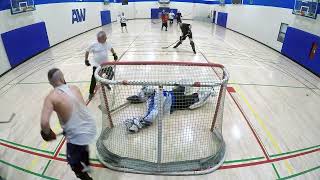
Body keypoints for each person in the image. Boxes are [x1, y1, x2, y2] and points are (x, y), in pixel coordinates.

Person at [40, 68, 96, 180]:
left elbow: (44, 122)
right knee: (81, 148)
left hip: (76, 137)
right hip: (90, 129)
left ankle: (84, 176)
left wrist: (47, 133)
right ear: (62, 78)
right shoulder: (75, 88)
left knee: (73, 162)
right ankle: (84, 160)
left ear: (51, 83)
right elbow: (80, 110)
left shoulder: (51, 97)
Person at [125, 85, 214, 133]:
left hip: (175, 102)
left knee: (192, 100)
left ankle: (208, 91)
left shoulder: (154, 101)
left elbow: (152, 115)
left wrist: (137, 124)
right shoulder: (155, 93)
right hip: (171, 93)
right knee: (180, 89)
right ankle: (186, 86)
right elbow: (143, 97)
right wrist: (135, 98)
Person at [85, 31, 118, 100]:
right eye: (104, 37)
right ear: (99, 39)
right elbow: (87, 51)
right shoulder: (94, 44)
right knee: (94, 79)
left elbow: (111, 48)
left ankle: (105, 82)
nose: (106, 38)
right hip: (97, 66)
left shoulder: (106, 43)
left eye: (106, 37)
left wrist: (114, 54)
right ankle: (91, 92)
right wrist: (86, 60)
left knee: (111, 74)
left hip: (106, 65)